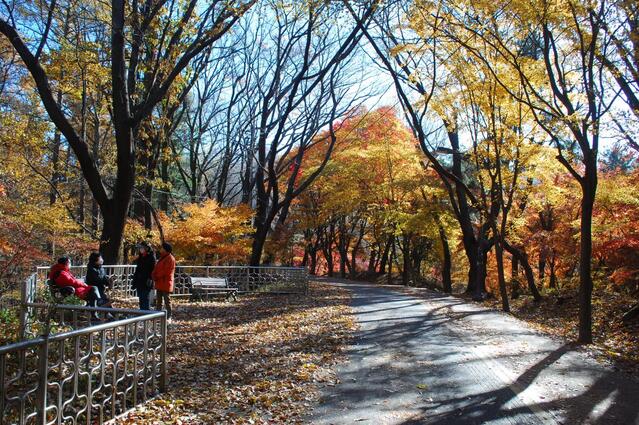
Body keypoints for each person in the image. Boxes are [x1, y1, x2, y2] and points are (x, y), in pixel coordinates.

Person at [152, 242, 176, 321]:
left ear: (166, 249)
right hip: (160, 282)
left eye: (162, 248)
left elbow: (166, 271)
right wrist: (154, 274)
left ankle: (169, 316)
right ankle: (158, 315)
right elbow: (157, 268)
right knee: (159, 300)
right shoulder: (162, 257)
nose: (161, 249)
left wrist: (157, 276)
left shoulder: (170, 258)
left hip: (165, 282)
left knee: (167, 300)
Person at [132, 242, 156, 311]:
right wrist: (135, 280)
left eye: (141, 248)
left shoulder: (151, 257)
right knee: (141, 298)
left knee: (145, 297)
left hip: (147, 281)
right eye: (140, 248)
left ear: (146, 248)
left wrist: (150, 279)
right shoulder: (140, 257)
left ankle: (146, 313)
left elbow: (153, 270)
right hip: (139, 280)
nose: (140, 249)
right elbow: (138, 269)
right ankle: (142, 312)